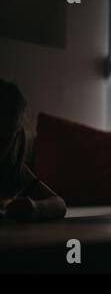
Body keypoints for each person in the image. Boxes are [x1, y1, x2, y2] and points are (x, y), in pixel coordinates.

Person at [0, 79, 66, 222]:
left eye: (8, 138)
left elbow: (59, 203)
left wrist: (36, 207)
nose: (3, 147)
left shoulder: (13, 168)